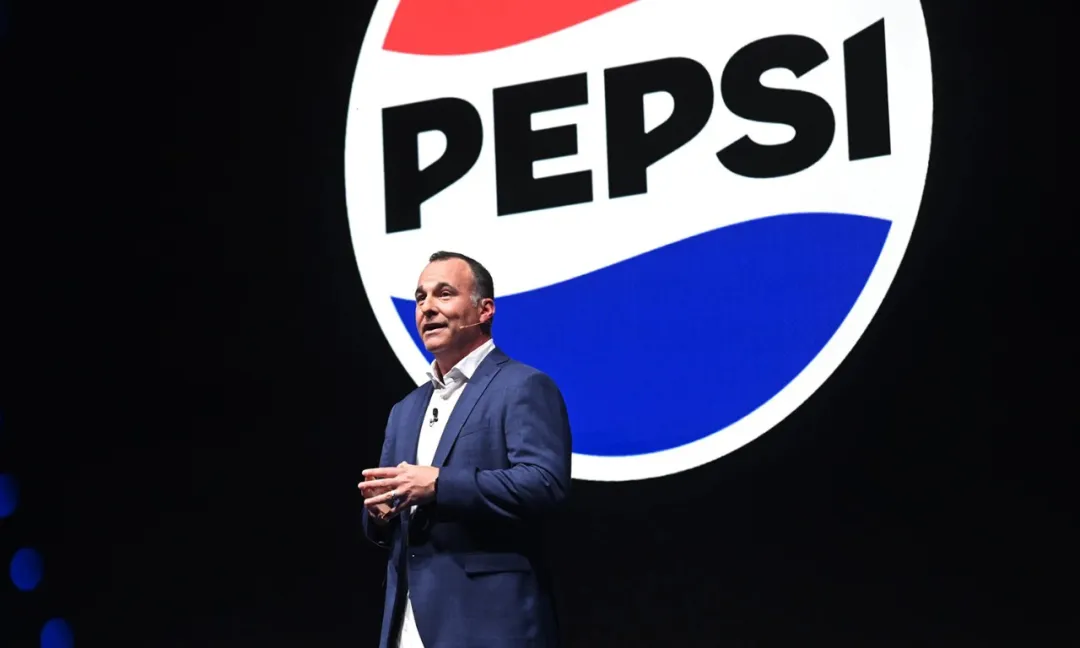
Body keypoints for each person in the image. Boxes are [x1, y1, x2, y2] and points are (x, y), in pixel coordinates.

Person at [358, 251, 572, 648]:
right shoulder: (404, 410)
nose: (427, 307)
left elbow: (545, 485)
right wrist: (379, 512)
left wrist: (439, 484)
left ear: (484, 310)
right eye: (420, 297)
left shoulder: (523, 386)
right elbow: (388, 517)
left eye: (444, 294)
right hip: (408, 625)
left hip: (486, 623)